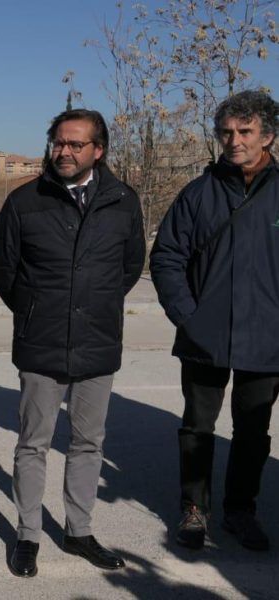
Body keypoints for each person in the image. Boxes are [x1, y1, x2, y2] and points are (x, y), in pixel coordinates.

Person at [0, 109, 144, 577]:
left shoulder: (122, 200)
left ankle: (78, 531)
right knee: (33, 443)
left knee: (87, 443)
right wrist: (35, 309)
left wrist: (96, 306)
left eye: (76, 144)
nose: (64, 151)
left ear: (99, 150)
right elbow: (3, 269)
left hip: (97, 342)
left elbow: (130, 266)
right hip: (41, 343)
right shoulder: (24, 201)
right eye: (59, 142)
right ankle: (27, 535)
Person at [150, 90, 279, 552]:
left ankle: (241, 509)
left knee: (252, 430)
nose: (234, 140)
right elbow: (166, 256)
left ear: (268, 135)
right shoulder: (198, 193)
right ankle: (194, 508)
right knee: (197, 427)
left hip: (267, 339)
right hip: (205, 336)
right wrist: (188, 316)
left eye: (245, 131)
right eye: (226, 131)